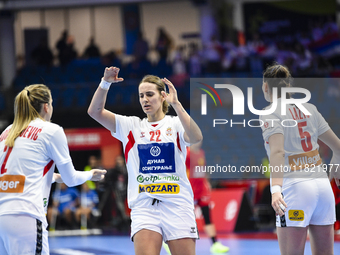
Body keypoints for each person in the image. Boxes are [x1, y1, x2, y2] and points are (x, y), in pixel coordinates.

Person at [88, 66, 203, 255]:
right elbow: (95, 112)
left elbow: (196, 137)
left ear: (163, 96)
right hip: (144, 207)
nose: (145, 100)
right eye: (141, 96)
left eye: (150, 94)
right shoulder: (131, 126)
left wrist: (177, 104)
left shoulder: (174, 123)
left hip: (177, 205)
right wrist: (105, 82)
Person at [0, 84, 106, 255]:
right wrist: (90, 175)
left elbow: (15, 175)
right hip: (26, 215)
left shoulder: (7, 132)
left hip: (2, 218)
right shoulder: (51, 130)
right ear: (46, 106)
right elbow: (71, 179)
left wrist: (54, 177)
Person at [260, 64, 338, 255]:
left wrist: (276, 189)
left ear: (265, 87)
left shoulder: (269, 112)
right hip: (323, 188)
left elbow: (278, 152)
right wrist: (335, 163)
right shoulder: (309, 107)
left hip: (295, 189)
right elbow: (338, 146)